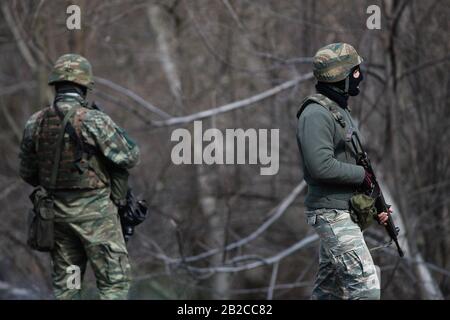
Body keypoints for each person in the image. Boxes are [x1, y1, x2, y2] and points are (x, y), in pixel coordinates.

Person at [19, 54, 140, 299]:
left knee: (68, 289)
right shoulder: (93, 120)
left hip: (58, 218)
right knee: (113, 284)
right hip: (96, 218)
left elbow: (28, 173)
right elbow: (130, 156)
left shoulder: (36, 122)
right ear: (84, 86)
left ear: (56, 86)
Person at [296, 43, 391, 300]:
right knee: (367, 288)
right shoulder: (316, 114)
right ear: (340, 76)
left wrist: (374, 206)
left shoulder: (338, 110)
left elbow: (348, 164)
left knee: (329, 291)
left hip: (343, 210)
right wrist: (362, 175)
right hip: (330, 213)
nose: (359, 75)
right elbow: (321, 167)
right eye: (355, 71)